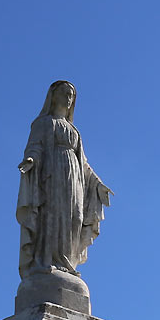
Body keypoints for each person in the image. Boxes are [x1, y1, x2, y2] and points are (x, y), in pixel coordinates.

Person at [17, 81, 110, 278]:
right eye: (64, 93)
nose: (68, 98)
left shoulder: (75, 131)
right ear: (53, 96)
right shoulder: (43, 123)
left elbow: (83, 163)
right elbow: (35, 146)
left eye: (71, 96)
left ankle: (67, 261)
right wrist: (31, 160)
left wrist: (98, 184)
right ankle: (47, 260)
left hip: (74, 179)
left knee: (74, 218)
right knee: (52, 215)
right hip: (52, 175)